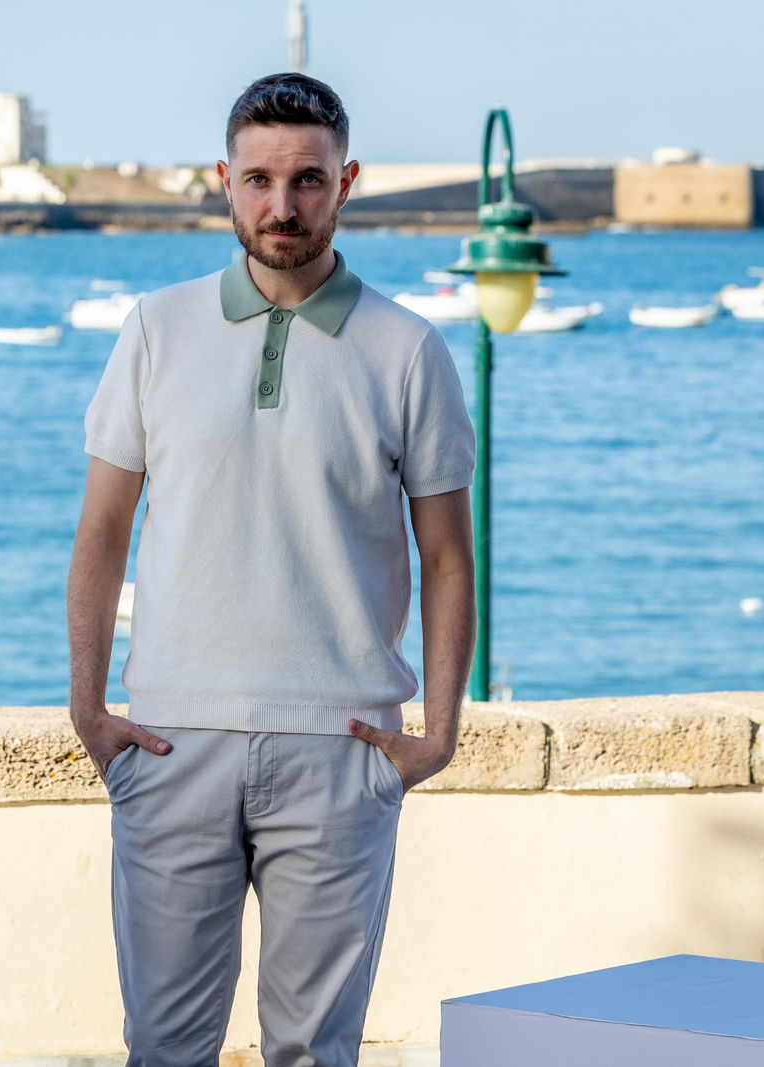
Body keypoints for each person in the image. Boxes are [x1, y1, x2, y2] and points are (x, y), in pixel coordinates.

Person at [69, 72, 477, 1066]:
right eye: (258, 178)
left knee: (313, 1053)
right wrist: (89, 707)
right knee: (164, 1048)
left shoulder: (408, 348)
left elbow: (448, 556)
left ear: (346, 183)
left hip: (338, 745)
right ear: (223, 180)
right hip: (172, 742)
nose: (280, 205)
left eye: (306, 179)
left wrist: (439, 733)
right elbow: (102, 530)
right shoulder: (155, 329)